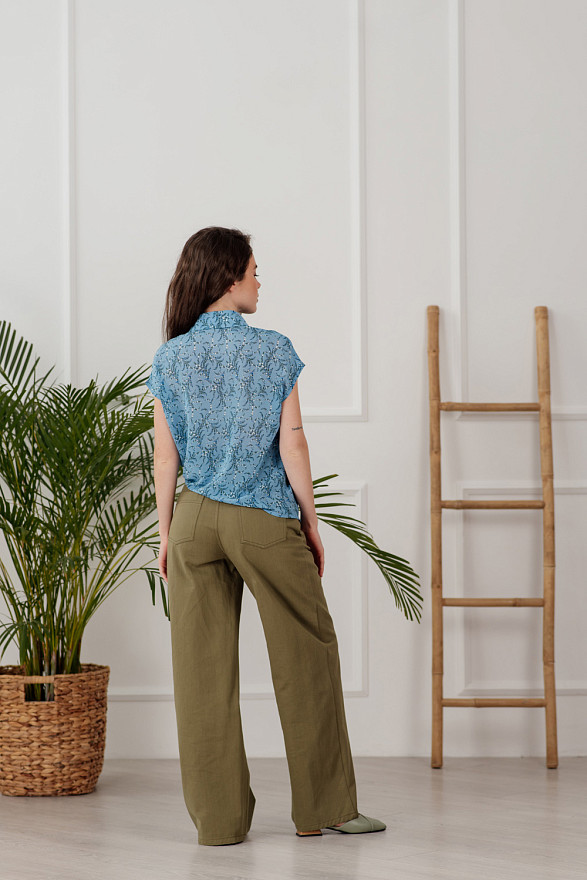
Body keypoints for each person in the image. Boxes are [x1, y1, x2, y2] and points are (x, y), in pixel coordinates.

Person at [145, 226, 386, 846]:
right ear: (228, 278)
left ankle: (219, 823)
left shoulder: (169, 357)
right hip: (261, 518)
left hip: (194, 522)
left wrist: (167, 535)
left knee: (200, 673)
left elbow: (165, 461)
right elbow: (294, 443)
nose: (259, 281)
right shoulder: (273, 350)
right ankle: (326, 808)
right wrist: (309, 520)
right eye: (255, 271)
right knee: (307, 652)